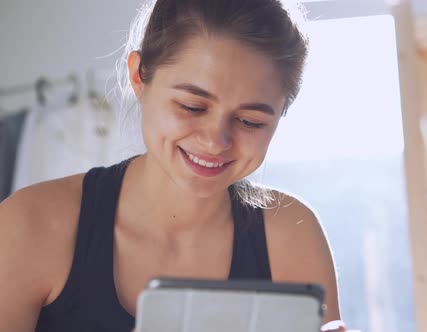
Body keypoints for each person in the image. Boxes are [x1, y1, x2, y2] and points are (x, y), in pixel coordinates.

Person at [0, 0, 348, 331]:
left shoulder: (291, 234)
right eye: (192, 106)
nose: (216, 142)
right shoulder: (30, 225)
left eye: (249, 121)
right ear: (139, 77)